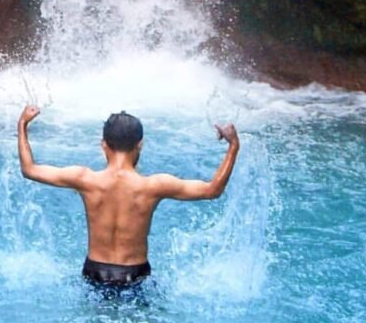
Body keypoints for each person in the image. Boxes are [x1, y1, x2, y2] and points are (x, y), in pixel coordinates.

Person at [17, 105, 240, 288]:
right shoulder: (153, 186)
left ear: (104, 144)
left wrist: (23, 125)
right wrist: (233, 146)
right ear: (139, 144)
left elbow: (30, 169)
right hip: (135, 275)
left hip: (94, 272)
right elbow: (213, 190)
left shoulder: (85, 179)